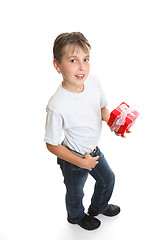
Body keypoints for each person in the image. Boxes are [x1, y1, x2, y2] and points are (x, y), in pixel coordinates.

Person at [44, 32, 128, 230]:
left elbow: (101, 109)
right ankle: (75, 217)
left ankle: (99, 206)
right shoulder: (57, 105)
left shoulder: (93, 82)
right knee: (75, 192)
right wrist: (82, 162)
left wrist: (113, 123)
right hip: (73, 158)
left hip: (93, 150)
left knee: (108, 179)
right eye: (73, 60)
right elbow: (51, 144)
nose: (82, 67)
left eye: (86, 59)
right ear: (57, 65)